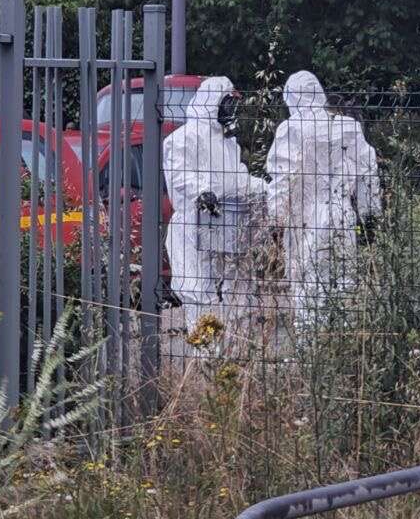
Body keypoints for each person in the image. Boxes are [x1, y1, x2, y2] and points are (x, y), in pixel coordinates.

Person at [264, 71, 381, 329]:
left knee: (307, 289)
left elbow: (282, 178)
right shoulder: (349, 126)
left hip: (305, 219)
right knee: (344, 284)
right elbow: (368, 174)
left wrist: (276, 220)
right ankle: (342, 351)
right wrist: (370, 215)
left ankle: (310, 356)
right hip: (343, 214)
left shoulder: (291, 128)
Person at [162, 77, 266, 337]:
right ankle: (201, 353)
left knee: (236, 285)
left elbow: (236, 178)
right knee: (196, 289)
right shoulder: (184, 137)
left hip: (225, 221)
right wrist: (201, 191)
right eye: (226, 103)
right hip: (192, 223)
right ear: (212, 101)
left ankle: (233, 346)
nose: (230, 110)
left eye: (233, 104)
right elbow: (179, 173)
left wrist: (261, 189)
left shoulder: (228, 142)